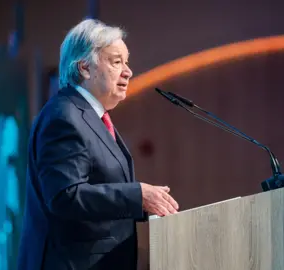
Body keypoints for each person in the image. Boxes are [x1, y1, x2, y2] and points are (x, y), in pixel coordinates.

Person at [17, 19, 179, 270]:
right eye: (116, 62)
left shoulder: (92, 117)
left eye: (126, 62)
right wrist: (138, 196)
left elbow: (99, 193)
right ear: (84, 67)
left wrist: (147, 204)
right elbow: (65, 196)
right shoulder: (64, 117)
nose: (128, 71)